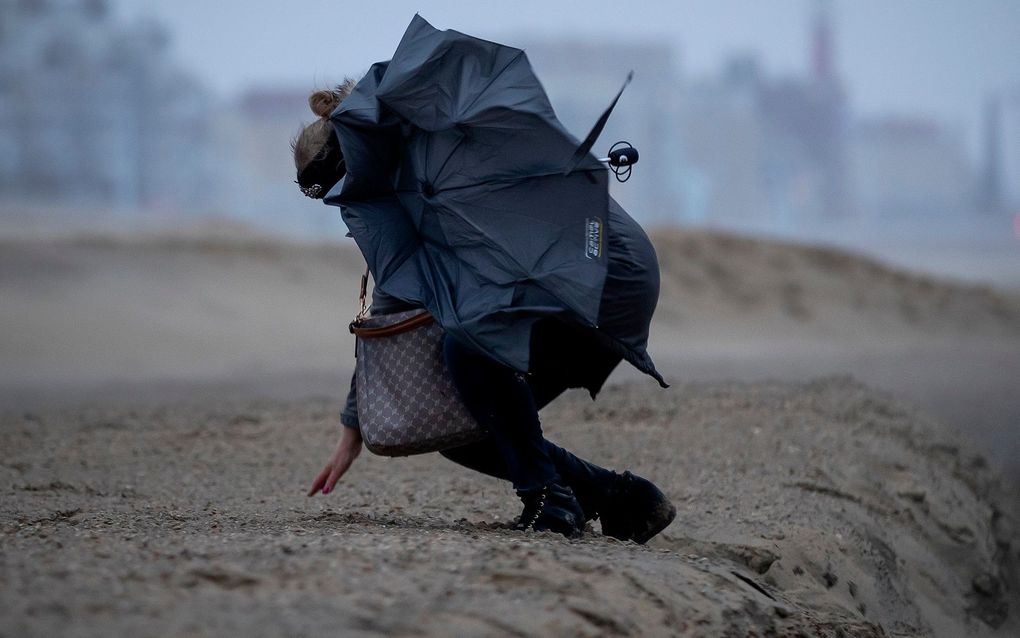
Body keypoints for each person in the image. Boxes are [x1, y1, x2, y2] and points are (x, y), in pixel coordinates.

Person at [294, 83, 675, 542]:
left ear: (353, 161)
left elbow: (392, 306)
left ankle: (549, 502)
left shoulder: (423, 169)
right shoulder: (412, 165)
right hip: (599, 274)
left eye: (335, 190)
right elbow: (390, 312)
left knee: (467, 347)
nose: (343, 204)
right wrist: (352, 427)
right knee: (458, 425)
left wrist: (354, 427)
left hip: (599, 273)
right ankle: (622, 499)